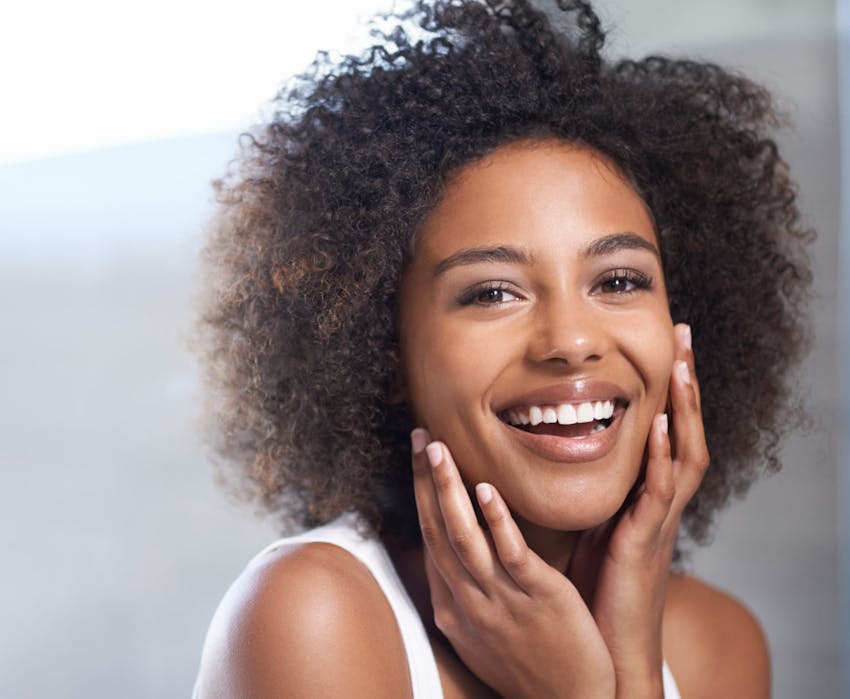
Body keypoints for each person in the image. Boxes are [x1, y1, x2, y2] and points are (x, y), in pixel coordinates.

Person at [193, 1, 812, 696]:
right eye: (492, 292)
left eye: (617, 279)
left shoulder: (717, 647)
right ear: (384, 352)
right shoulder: (310, 616)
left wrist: (629, 668)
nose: (573, 342)